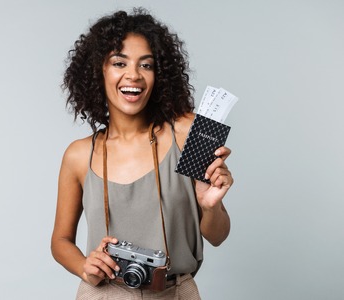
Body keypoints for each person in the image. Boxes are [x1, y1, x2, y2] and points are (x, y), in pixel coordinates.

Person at [51, 8, 233, 299]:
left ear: (159, 74)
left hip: (175, 292)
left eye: (146, 65)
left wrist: (210, 206)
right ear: (98, 70)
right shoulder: (78, 155)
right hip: (103, 293)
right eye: (119, 63)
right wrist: (86, 267)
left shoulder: (188, 132)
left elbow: (218, 236)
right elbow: (60, 241)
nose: (133, 75)